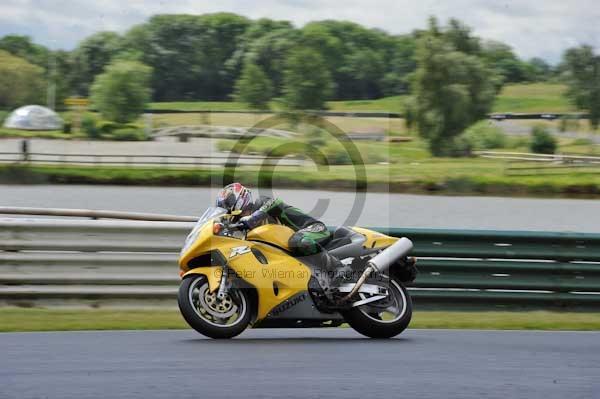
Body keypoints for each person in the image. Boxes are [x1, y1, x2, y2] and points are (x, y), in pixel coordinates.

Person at [215, 183, 346, 291]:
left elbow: (275, 202)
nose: (226, 208)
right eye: (224, 206)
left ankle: (338, 267)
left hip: (313, 229)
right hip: (294, 255)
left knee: (297, 241)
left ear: (240, 198)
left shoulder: (261, 203)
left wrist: (253, 218)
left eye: (228, 203)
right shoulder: (243, 227)